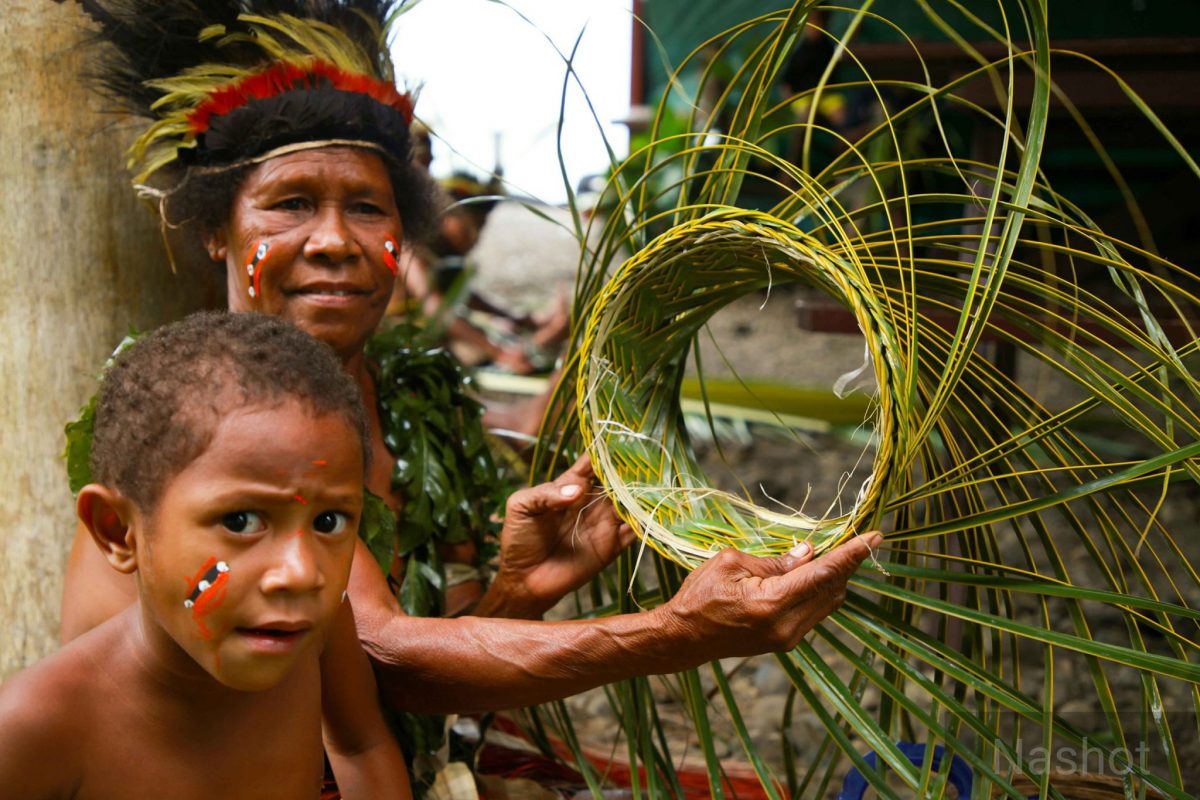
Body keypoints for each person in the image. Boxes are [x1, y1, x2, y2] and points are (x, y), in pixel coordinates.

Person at [58, 0, 881, 720]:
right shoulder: (186, 406)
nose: (337, 241)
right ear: (216, 229)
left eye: (368, 208)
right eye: (293, 203)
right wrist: (674, 634)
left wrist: (517, 591)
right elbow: (381, 655)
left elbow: (387, 677)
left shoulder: (411, 395)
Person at [1, 312, 410, 798]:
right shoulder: (34, 730)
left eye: (329, 522)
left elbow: (361, 746)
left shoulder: (315, 631)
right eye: (240, 522)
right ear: (118, 531)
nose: (300, 574)